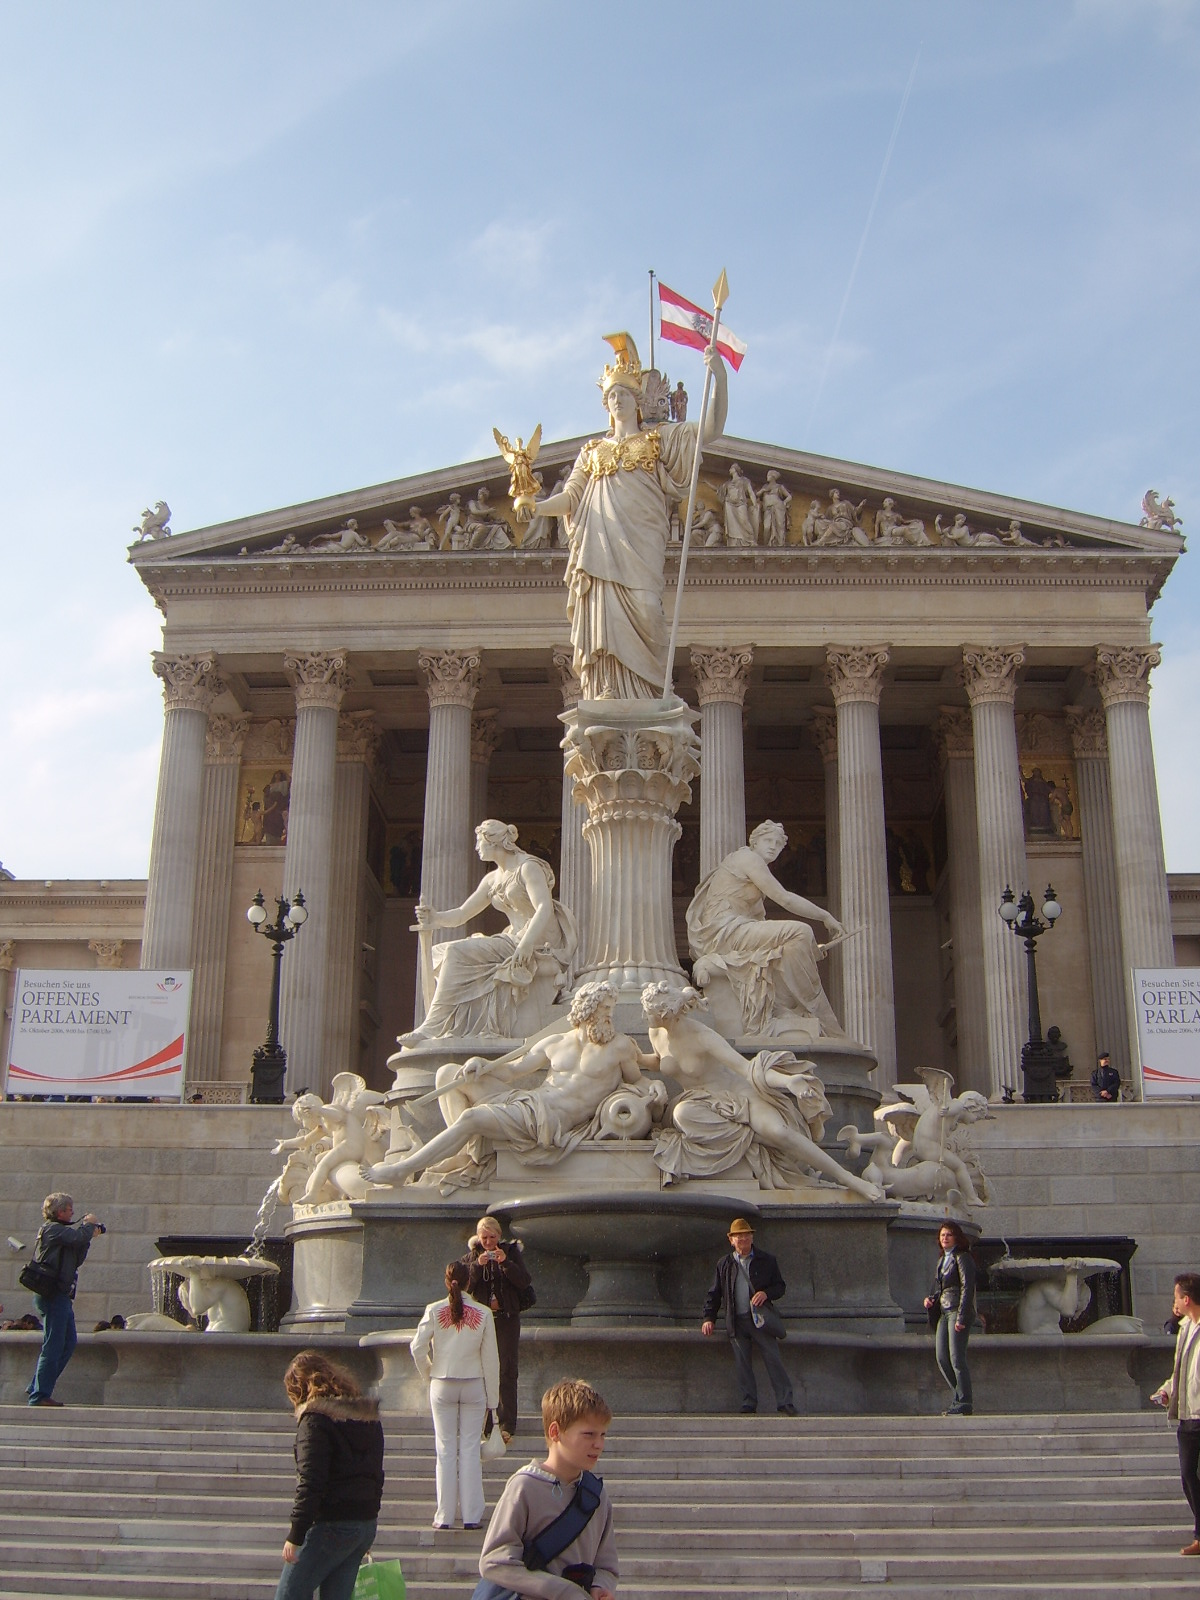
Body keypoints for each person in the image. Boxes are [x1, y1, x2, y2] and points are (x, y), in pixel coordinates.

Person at [517, 333, 728, 701]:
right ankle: (608, 689)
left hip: (641, 545)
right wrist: (537, 506)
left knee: (647, 611)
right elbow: (571, 497)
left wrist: (719, 377)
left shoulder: (658, 440)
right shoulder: (592, 452)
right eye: (612, 395)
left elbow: (710, 430)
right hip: (601, 551)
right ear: (606, 404)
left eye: (624, 394)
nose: (617, 400)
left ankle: (651, 697)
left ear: (637, 401)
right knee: (604, 622)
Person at [367, 983, 656, 1186]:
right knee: (448, 1074)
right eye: (605, 1008)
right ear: (587, 1010)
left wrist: (656, 1088)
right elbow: (512, 1071)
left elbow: (638, 1079)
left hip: (550, 1121)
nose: (610, 1015)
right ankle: (468, 1154)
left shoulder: (619, 1046)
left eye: (611, 1008)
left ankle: (403, 1170)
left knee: (471, 1118)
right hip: (530, 1103)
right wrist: (482, 1063)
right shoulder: (555, 1042)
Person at [401, 819, 577, 1048]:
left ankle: (432, 1026)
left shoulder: (527, 867)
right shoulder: (492, 879)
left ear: (493, 841)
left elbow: (544, 907)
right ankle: (452, 1024)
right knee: (439, 953)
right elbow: (462, 914)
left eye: (479, 842)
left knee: (455, 952)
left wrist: (525, 944)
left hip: (537, 941)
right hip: (513, 938)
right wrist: (435, 917)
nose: (476, 847)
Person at [686, 820, 844, 1038]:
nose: (773, 847)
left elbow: (762, 925)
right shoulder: (748, 858)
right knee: (801, 932)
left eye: (778, 844)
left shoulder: (750, 865)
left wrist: (808, 951)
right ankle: (811, 1008)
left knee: (793, 944)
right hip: (725, 932)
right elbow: (785, 899)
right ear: (754, 842)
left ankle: (785, 1009)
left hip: (735, 929)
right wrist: (825, 916)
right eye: (768, 840)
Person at [478, 1378, 618, 1600]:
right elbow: (494, 1562)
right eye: (589, 1434)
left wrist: (600, 1586)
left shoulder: (596, 1495)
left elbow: (606, 1566)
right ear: (555, 1432)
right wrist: (564, 1591)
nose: (598, 1444)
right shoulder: (525, 1487)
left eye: (603, 1435)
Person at [275, 1349, 384, 1600]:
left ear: (299, 1389)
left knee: (288, 1595)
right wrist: (368, 1517)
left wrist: (296, 1534)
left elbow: (311, 1482)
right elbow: (377, 1474)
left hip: (331, 1524)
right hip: (364, 1523)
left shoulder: (315, 1421)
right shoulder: (366, 1418)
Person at [411, 1260, 500, 1530]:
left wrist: (429, 1372)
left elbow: (417, 1347)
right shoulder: (484, 1313)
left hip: (442, 1381)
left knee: (445, 1449)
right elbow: (491, 1360)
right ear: (469, 1282)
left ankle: (444, 1516)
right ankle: (472, 1516)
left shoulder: (434, 1310)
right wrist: (493, 1401)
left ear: (446, 1281)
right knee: (471, 1449)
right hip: (474, 1383)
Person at [701, 1219, 796, 1416]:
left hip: (760, 1320)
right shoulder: (724, 1264)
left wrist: (766, 1293)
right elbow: (714, 1294)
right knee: (742, 1364)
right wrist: (708, 1318)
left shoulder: (767, 1260)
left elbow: (780, 1287)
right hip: (736, 1320)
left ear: (752, 1237)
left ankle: (785, 1401)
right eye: (738, 1236)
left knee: (773, 1360)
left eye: (746, 1235)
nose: (743, 1239)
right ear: (731, 1240)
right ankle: (748, 1402)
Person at [26, 1192, 105, 1407]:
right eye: (70, 1209)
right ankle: (39, 1395)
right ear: (60, 1211)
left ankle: (37, 1386)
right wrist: (89, 1224)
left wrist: (89, 1238)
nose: (72, 1213)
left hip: (60, 1296)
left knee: (68, 1343)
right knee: (53, 1345)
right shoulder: (52, 1229)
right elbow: (77, 1237)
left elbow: (76, 1257)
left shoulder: (62, 1234)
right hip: (51, 1295)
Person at [462, 1214, 535, 1446]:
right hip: (481, 1321)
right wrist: (477, 1266)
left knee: (507, 1369)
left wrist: (505, 1263)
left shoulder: (511, 1253)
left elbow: (524, 1281)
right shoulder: (472, 1257)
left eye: (492, 1237)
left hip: (507, 1319)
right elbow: (464, 1288)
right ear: (478, 1237)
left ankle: (506, 1423)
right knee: (482, 1369)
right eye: (484, 1238)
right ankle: (484, 1422)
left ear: (499, 1236)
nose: (488, 1242)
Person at [1152, 1273, 1200, 1556]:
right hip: (1188, 1415)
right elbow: (1180, 1370)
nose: (1174, 1302)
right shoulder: (1185, 1328)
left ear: (1187, 1299)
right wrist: (1167, 1390)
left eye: (1176, 1297)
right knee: (1188, 1476)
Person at [923, 1221, 976, 1417]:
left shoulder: (962, 1258)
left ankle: (965, 1401)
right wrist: (931, 1300)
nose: (945, 1238)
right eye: (942, 1235)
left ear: (957, 1238)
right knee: (942, 1357)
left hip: (956, 1310)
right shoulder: (941, 1261)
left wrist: (962, 1316)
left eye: (949, 1235)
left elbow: (967, 1288)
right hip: (944, 1311)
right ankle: (958, 1397)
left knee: (956, 1357)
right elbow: (940, 1288)